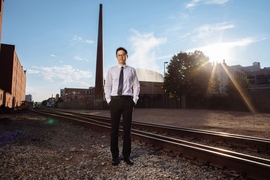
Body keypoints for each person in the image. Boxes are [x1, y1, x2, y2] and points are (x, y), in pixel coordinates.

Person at [104, 47, 140, 166]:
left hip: (127, 101)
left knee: (127, 130)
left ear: (127, 56)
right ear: (116, 57)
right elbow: (107, 85)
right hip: (115, 101)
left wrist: (134, 100)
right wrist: (109, 99)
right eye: (119, 55)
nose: (121, 57)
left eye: (123, 55)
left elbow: (136, 85)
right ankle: (115, 156)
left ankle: (126, 156)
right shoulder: (111, 70)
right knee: (114, 130)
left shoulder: (132, 70)